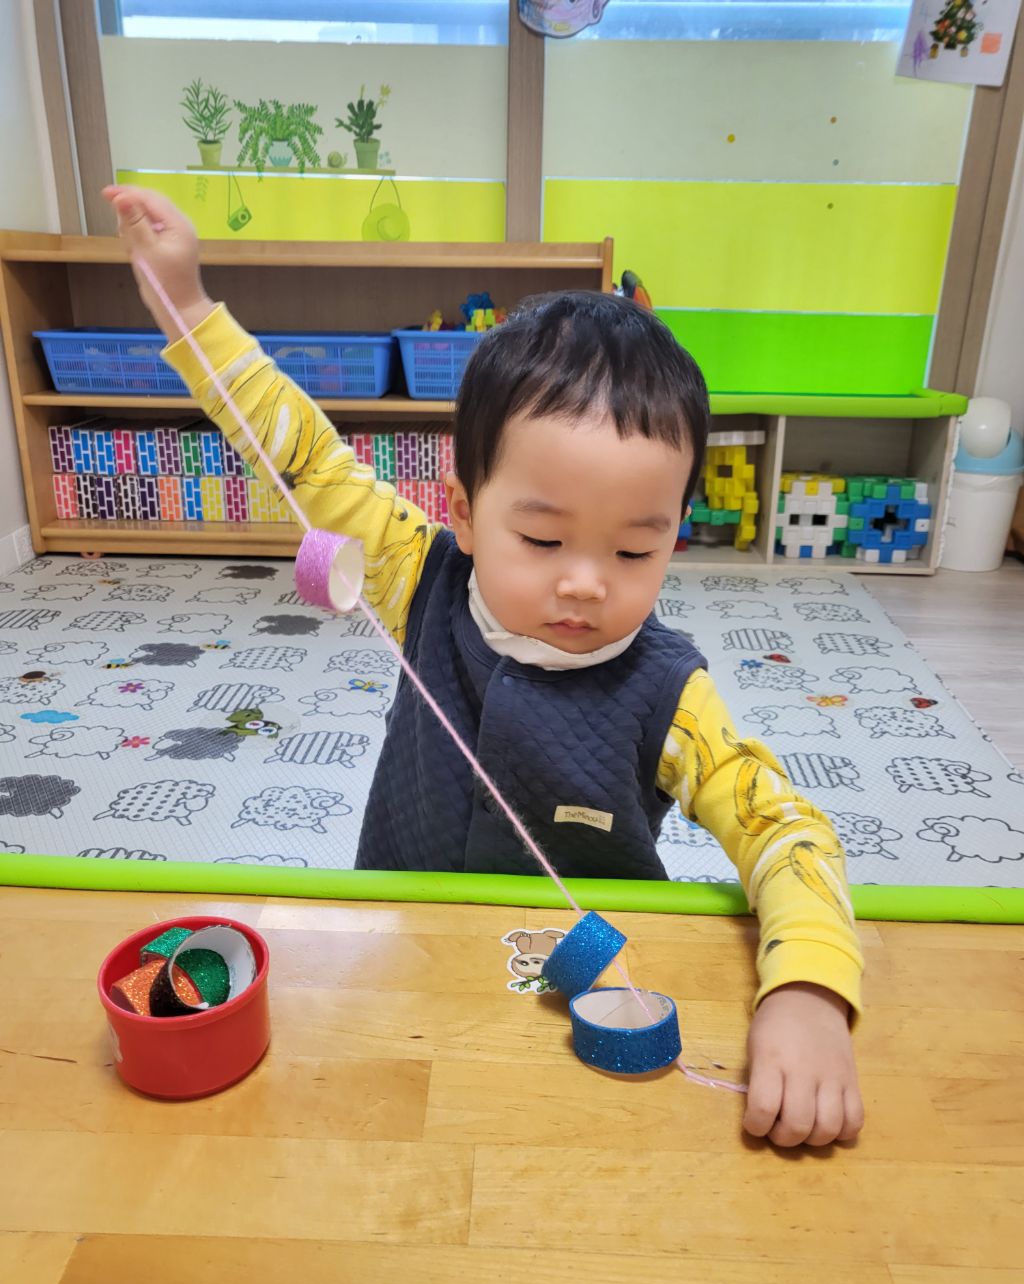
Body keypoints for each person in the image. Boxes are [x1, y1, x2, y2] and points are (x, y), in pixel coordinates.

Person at [105, 185, 865, 1149]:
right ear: (463, 511)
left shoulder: (672, 693)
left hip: (580, 1004)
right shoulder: (415, 573)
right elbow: (301, 455)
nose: (586, 582)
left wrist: (809, 991)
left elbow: (786, 830)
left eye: (636, 550)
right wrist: (187, 305)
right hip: (406, 953)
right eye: (542, 539)